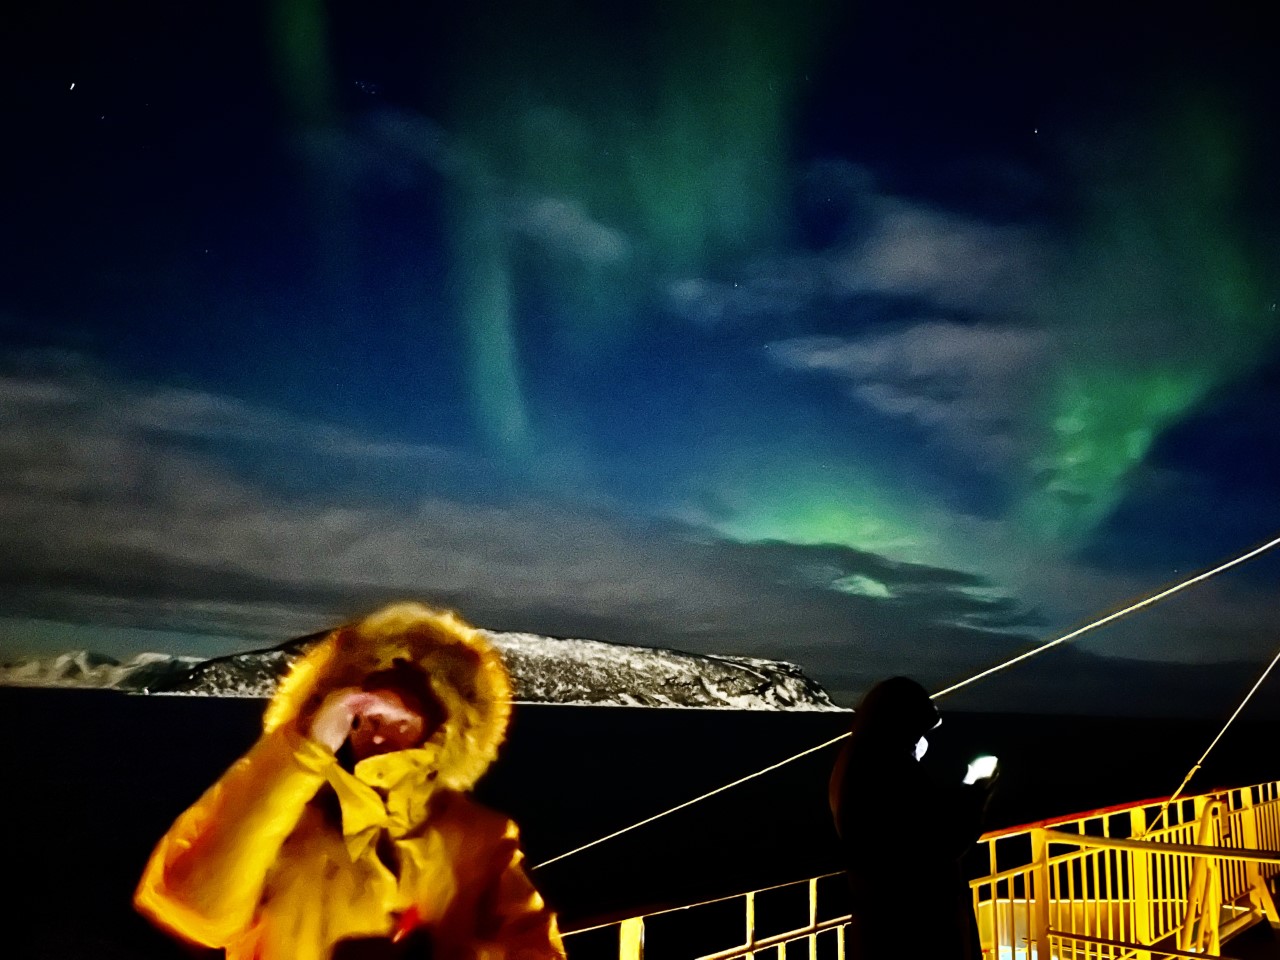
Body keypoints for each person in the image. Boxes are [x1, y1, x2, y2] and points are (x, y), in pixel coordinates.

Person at [135, 602, 566, 960]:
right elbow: (193, 908)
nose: (378, 736)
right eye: (366, 718)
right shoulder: (285, 816)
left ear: (439, 729)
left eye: (400, 721)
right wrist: (304, 749)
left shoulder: (478, 837)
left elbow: (534, 947)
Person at [828, 676, 997, 960]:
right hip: (914, 920)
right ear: (901, 723)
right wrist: (976, 791)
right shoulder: (889, 768)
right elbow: (940, 841)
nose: (922, 740)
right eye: (919, 731)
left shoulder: (857, 759)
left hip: (880, 915)